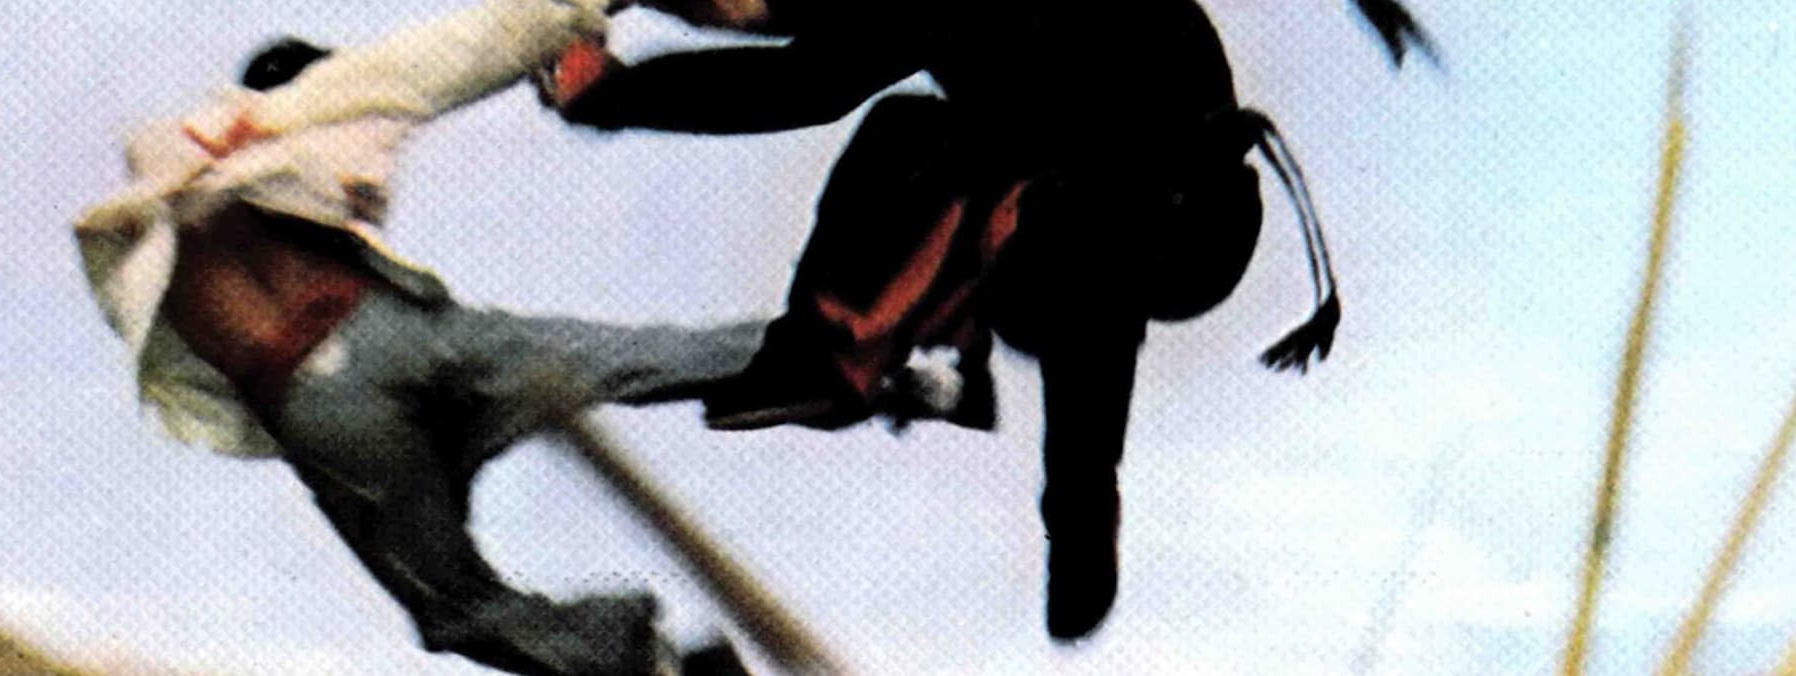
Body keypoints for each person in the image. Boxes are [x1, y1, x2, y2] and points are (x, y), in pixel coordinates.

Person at [539, 0, 1430, 641]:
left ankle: (901, 394)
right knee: (918, 137)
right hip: (1101, 198)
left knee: (1007, 194)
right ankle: (851, 357)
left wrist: (611, 97)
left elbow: (795, 80)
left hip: (1173, 226)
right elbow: (781, 40)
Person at [75, 2, 759, 672]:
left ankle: (642, 663)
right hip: (399, 337)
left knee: (453, 605)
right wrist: (565, 18)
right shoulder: (277, 133)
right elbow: (442, 62)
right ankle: (810, 351)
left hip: (322, 403)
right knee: (630, 357)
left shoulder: (173, 195)